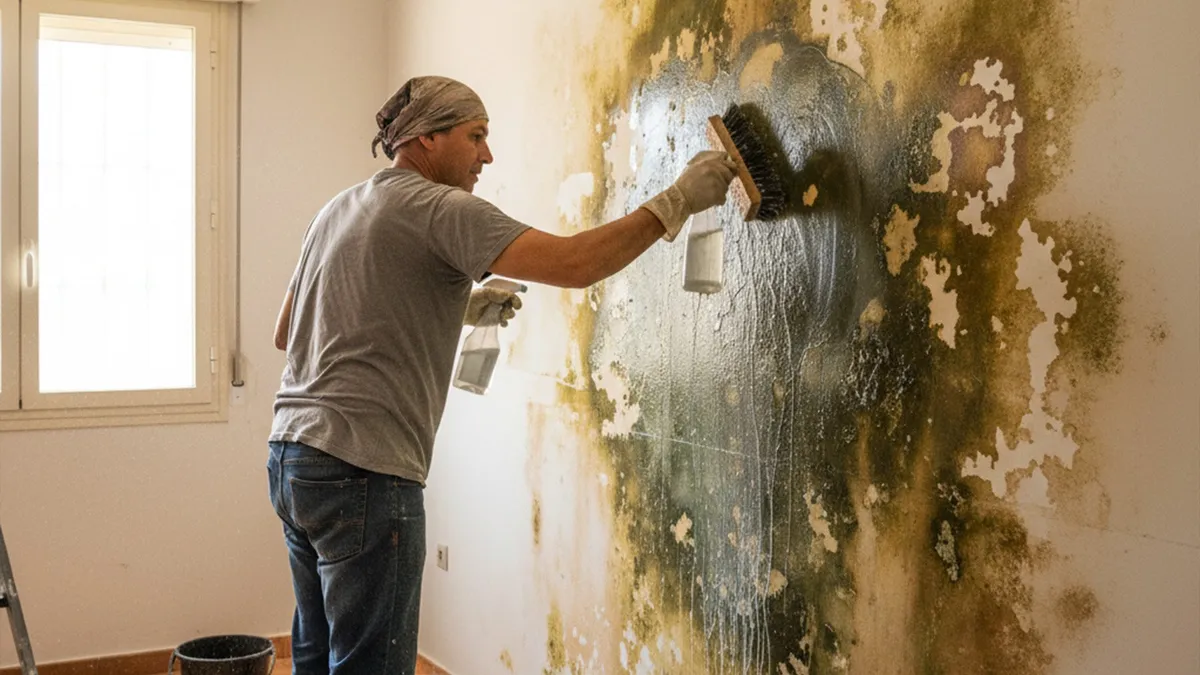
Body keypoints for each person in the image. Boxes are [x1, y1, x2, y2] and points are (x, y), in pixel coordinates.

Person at [266, 75, 735, 674]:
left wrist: (453, 305)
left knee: (314, 655)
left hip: (293, 461)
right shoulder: (441, 208)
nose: (487, 155)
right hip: (364, 469)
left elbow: (289, 330)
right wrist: (677, 200)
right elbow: (575, 263)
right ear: (427, 137)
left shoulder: (336, 210)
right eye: (476, 135)